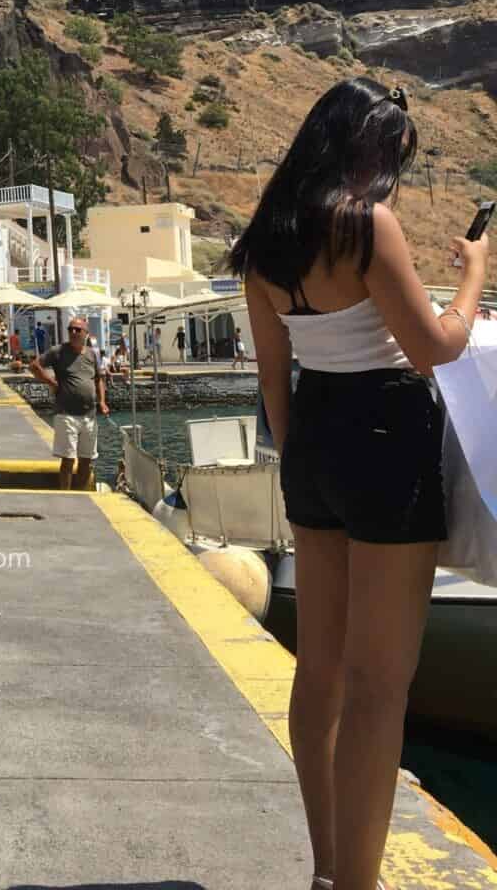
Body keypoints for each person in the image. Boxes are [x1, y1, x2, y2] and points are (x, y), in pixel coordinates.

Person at [231, 79, 486, 890]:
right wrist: (475, 275)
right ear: (367, 150)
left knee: (325, 668)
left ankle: (328, 869)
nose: (395, 177)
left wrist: (303, 460)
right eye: (394, 157)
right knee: (381, 687)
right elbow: (436, 347)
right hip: (386, 438)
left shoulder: (267, 239)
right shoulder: (366, 224)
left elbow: (275, 383)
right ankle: (359, 886)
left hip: (312, 439)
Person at [30, 316, 110, 490]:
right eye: (70, 329)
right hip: (66, 415)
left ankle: (82, 496)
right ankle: (66, 496)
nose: (73, 332)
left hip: (89, 416)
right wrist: (52, 383)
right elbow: (35, 366)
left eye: (77, 330)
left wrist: (102, 401)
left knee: (86, 460)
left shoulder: (91, 354)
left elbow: (99, 379)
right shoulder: (58, 351)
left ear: (86, 334)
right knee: (67, 460)